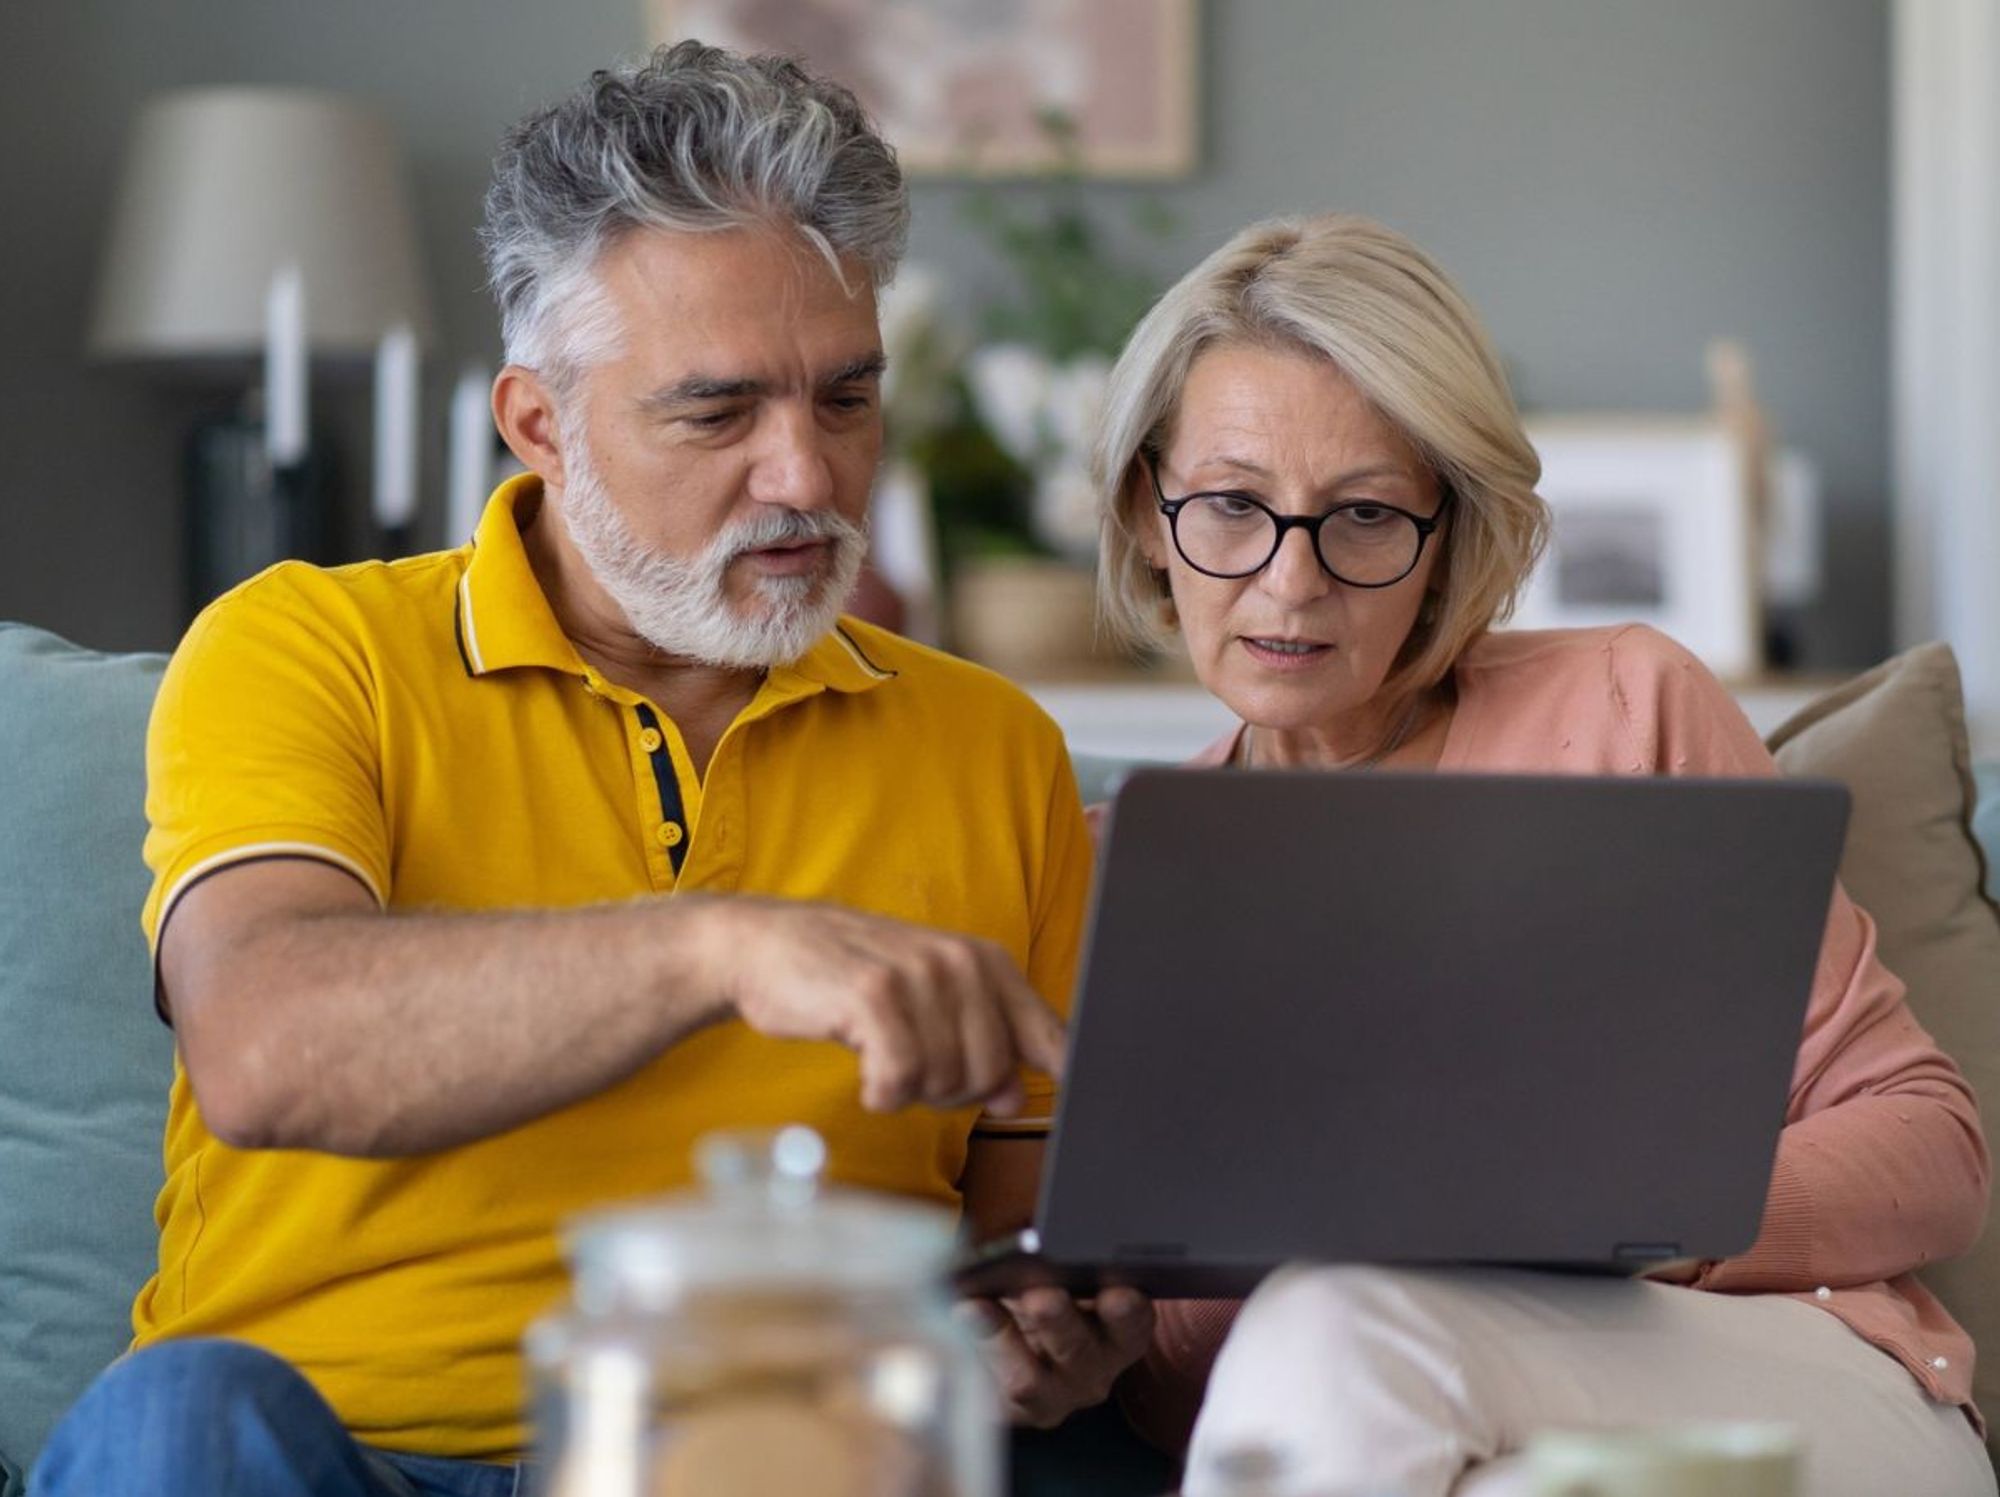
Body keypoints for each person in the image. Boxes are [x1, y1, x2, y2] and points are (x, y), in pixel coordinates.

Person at [33, 43, 1154, 1497]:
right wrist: (719, 946)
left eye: (846, 398)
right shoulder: (310, 647)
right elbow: (264, 1045)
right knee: (179, 1420)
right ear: (539, 424)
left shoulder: (989, 747)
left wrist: (1046, 1345)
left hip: (761, 1454)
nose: (806, 476)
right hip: (338, 1455)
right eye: (717, 410)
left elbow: (1019, 1235)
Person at [1088, 214, 1994, 1497]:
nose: (1289, 585)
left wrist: (1616, 1219)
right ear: (1145, 507)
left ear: (1446, 531)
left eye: (1359, 517)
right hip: (1407, 1420)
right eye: (1231, 506)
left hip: (1787, 1369)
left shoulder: (1624, 708)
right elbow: (1207, 1404)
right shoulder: (1120, 869)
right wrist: (1114, 1333)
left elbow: (1933, 1148)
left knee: (1342, 1324)